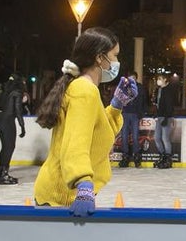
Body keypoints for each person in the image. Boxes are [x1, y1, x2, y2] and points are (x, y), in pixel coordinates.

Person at [33, 27, 124, 215]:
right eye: (114, 56)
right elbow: (75, 143)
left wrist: (116, 106)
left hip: (62, 193)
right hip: (61, 197)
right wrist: (83, 184)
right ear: (100, 58)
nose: (116, 62)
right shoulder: (85, 91)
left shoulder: (83, 88)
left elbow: (97, 133)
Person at [0, 74, 27, 184]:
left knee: (5, 147)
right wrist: (22, 126)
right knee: (9, 147)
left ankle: (0, 173)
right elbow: (18, 110)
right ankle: (3, 174)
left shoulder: (6, 91)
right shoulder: (17, 92)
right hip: (7, 121)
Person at [114, 73, 146, 168]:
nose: (131, 79)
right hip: (125, 114)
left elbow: (143, 101)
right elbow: (118, 98)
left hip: (135, 115)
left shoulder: (140, 88)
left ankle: (136, 156)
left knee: (135, 136)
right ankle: (125, 156)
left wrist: (142, 113)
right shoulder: (124, 87)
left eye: (133, 78)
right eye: (130, 78)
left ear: (136, 79)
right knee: (124, 136)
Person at [154, 73, 180, 168]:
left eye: (160, 79)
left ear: (165, 80)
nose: (158, 81)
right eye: (158, 79)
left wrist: (166, 117)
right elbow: (158, 104)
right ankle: (163, 155)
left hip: (166, 117)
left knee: (165, 138)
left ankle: (168, 158)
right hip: (159, 116)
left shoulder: (168, 90)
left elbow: (169, 105)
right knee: (157, 137)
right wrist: (156, 114)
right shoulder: (159, 90)